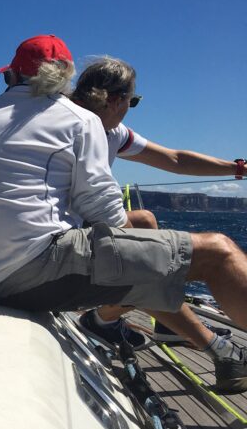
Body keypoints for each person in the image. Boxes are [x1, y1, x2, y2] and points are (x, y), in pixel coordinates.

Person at [0, 34, 247, 393]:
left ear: (13, 76)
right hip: (36, 271)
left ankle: (220, 352)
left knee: (144, 237)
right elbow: (105, 213)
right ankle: (156, 328)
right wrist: (147, 267)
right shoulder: (78, 120)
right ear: (66, 75)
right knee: (219, 252)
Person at [70, 56, 245, 353]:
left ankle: (133, 320)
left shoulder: (113, 133)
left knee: (145, 221)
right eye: (132, 101)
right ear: (115, 100)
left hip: (79, 225)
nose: (130, 110)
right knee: (211, 252)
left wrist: (237, 168)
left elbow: (174, 159)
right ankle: (130, 317)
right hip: (63, 239)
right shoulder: (76, 128)